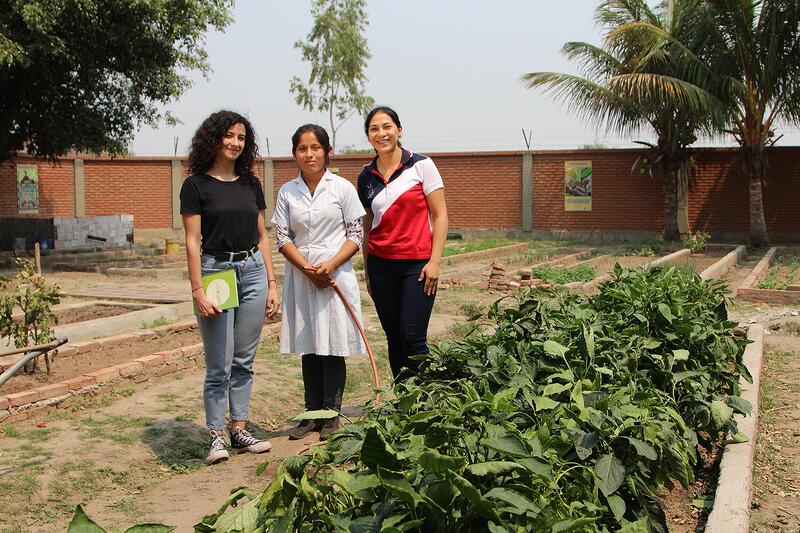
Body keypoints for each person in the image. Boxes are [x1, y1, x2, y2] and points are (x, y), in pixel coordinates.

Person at [180, 110, 280, 465]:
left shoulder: (250, 184)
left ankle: (239, 429)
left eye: (241, 137)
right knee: (218, 362)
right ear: (214, 138)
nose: (235, 142)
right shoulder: (195, 186)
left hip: (252, 269)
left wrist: (271, 282)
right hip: (216, 272)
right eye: (229, 136)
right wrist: (197, 290)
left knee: (244, 359)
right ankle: (216, 436)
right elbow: (192, 242)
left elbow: (263, 236)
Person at [273, 124, 366, 441]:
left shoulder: (342, 188)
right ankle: (311, 414)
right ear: (294, 154)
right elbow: (283, 238)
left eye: (315, 148)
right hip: (302, 274)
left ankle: (331, 415)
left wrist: (330, 266)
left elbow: (356, 235)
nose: (309, 154)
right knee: (310, 345)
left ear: (328, 152)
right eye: (302, 148)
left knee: (332, 344)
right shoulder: (287, 191)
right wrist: (307, 268)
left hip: (335, 273)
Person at [357, 106, 448, 381]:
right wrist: (368, 270)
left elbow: (441, 215)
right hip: (381, 267)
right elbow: (367, 226)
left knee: (413, 338)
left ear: (399, 129)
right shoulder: (365, 176)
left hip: (418, 267)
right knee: (394, 338)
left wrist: (434, 263)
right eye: (374, 129)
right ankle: (404, 404)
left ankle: (430, 400)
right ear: (368, 136)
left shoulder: (421, 165)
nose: (381, 133)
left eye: (387, 126)